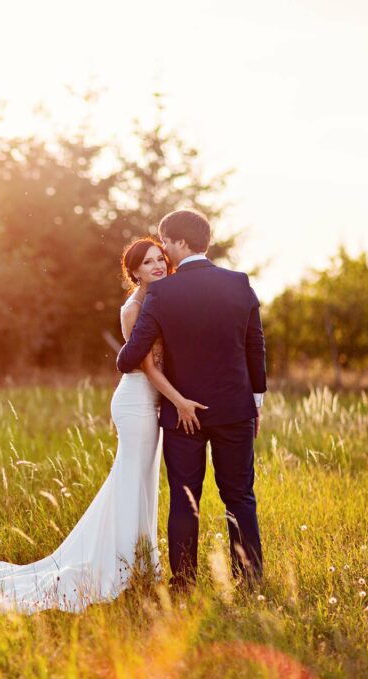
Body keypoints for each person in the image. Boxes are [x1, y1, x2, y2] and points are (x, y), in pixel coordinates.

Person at [0, 238, 205, 613]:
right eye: (148, 263)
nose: (158, 266)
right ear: (133, 272)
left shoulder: (165, 300)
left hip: (155, 400)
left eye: (160, 259)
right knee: (132, 478)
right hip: (136, 401)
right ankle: (121, 569)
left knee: (142, 481)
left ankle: (142, 565)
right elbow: (146, 366)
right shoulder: (133, 309)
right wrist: (179, 400)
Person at [117, 209, 267, 595]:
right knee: (239, 495)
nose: (163, 250)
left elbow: (129, 356)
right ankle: (249, 580)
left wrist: (126, 355)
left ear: (180, 242)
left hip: (183, 415)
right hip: (235, 409)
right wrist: (257, 401)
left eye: (165, 242)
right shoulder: (238, 283)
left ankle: (183, 583)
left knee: (186, 498)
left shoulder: (164, 293)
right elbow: (255, 345)